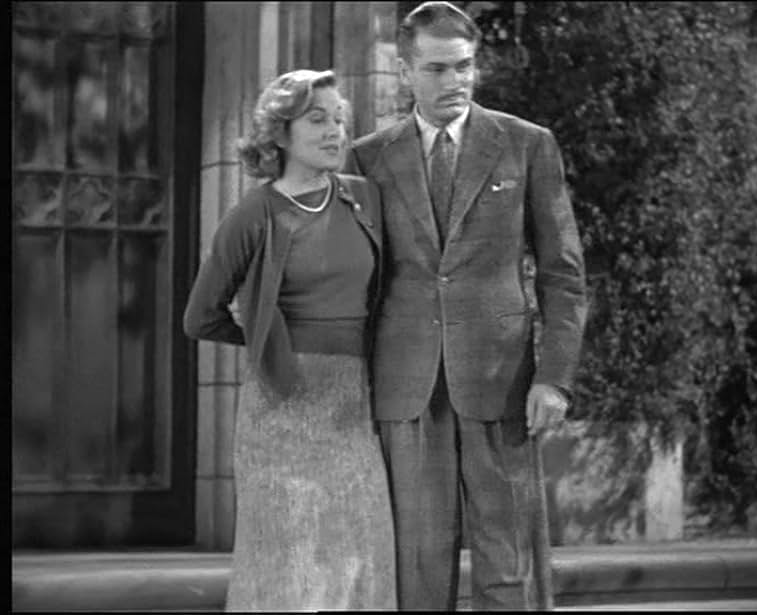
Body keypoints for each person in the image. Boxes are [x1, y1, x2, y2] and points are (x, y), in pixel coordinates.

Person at [349, 2, 588, 610]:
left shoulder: (526, 145)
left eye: (464, 66)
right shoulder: (368, 158)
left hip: (502, 383)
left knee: (506, 564)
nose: (453, 81)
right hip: (406, 387)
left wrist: (555, 379)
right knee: (418, 572)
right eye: (435, 69)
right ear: (406, 72)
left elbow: (563, 273)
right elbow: (357, 279)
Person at [183, 69, 396, 611]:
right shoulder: (253, 215)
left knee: (360, 562)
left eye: (340, 120)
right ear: (279, 134)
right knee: (289, 570)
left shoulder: (363, 200)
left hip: (354, 411)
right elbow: (200, 317)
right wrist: (267, 337)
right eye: (317, 120)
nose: (335, 132)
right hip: (281, 413)